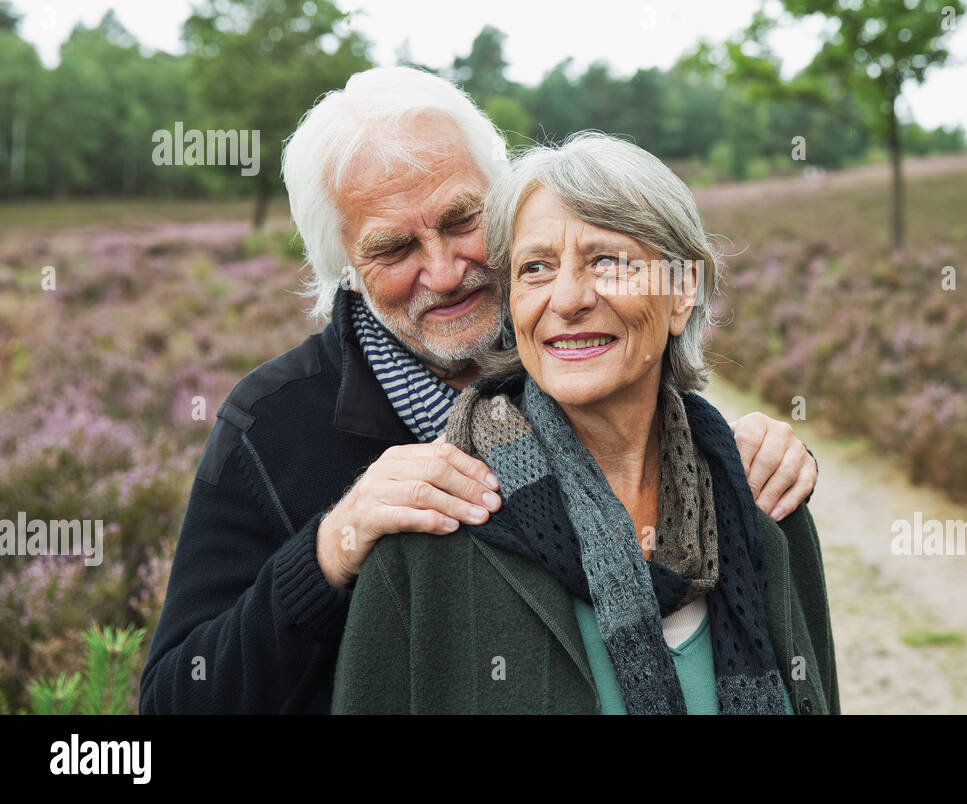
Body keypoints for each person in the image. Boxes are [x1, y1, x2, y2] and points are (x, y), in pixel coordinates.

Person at [140, 67, 821, 714]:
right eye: (393, 249)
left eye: (462, 221)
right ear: (346, 269)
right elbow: (176, 698)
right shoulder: (270, 426)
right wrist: (329, 552)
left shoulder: (567, 356)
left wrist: (743, 460)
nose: (442, 273)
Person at [332, 132, 838, 714]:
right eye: (536, 268)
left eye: (607, 261)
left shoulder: (761, 498)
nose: (568, 298)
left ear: (682, 291)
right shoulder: (433, 534)